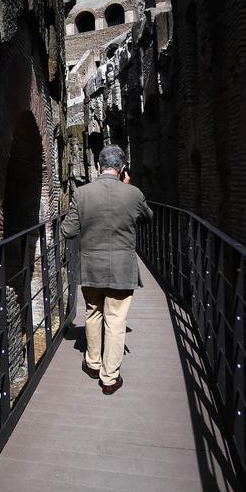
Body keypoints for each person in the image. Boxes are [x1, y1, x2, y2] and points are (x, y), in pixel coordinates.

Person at [61, 145, 152, 395]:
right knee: (116, 320)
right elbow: (147, 218)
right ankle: (109, 377)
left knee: (93, 314)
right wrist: (128, 186)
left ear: (99, 166)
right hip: (122, 268)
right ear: (122, 169)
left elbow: (67, 231)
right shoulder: (133, 194)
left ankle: (92, 363)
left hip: (91, 267)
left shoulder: (82, 194)